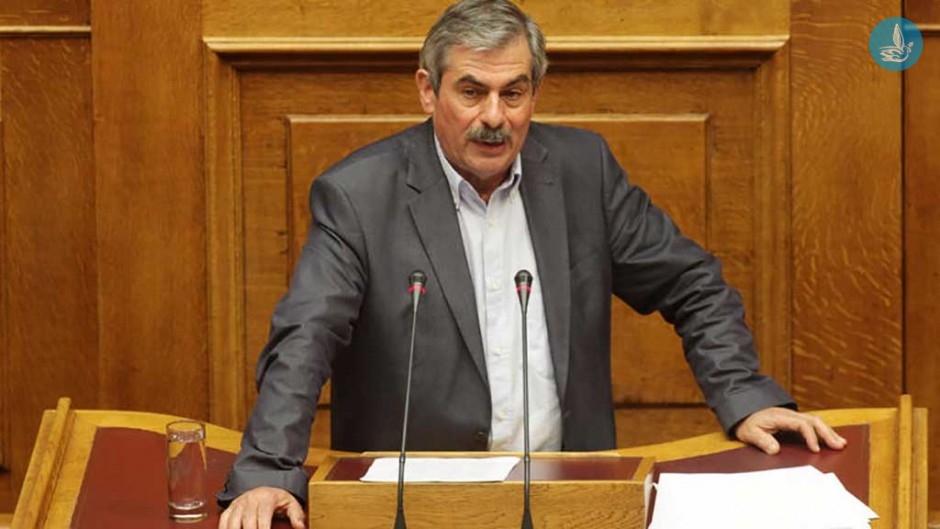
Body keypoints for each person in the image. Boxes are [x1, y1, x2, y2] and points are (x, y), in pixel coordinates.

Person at [217, 1, 846, 527]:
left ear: (535, 92)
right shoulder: (359, 194)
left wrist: (742, 395)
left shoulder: (582, 172)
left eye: (513, 93)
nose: (494, 117)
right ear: (428, 90)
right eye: (472, 92)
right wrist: (269, 470)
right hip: (416, 506)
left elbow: (690, 282)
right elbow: (306, 336)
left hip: (570, 496)